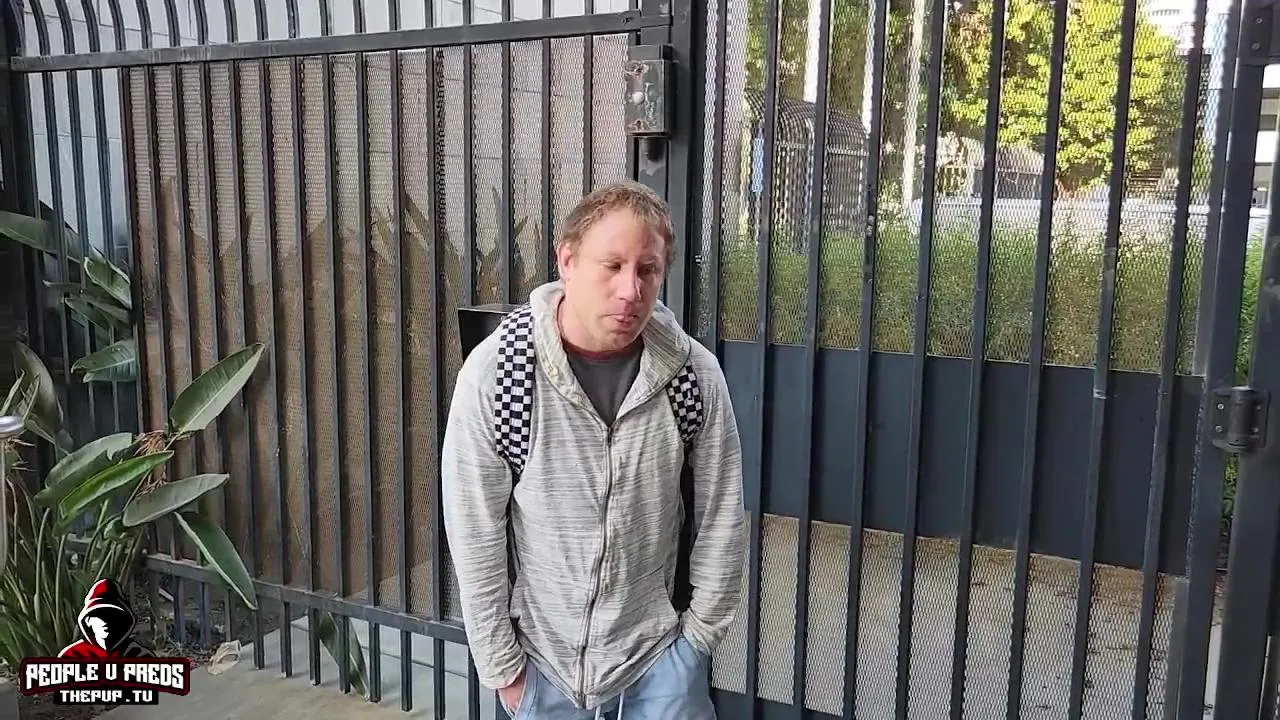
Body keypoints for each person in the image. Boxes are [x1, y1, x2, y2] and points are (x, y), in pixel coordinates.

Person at [441, 181, 746, 719]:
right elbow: (473, 533)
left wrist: (697, 641)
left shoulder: (692, 376)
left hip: (661, 664)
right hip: (543, 669)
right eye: (612, 266)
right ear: (567, 261)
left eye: (647, 270)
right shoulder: (498, 376)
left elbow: (723, 515)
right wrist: (504, 670)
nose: (631, 289)